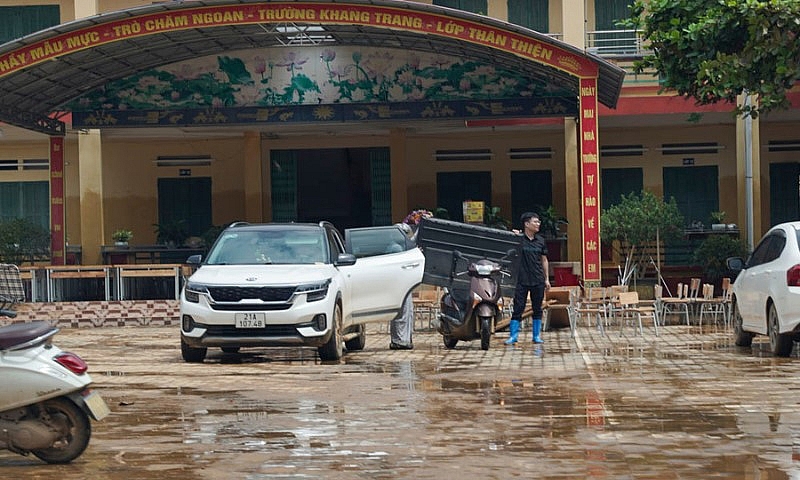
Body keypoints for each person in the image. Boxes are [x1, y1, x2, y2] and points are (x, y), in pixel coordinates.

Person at [505, 211, 550, 344]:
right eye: (535, 222)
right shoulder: (518, 239)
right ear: (526, 224)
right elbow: (508, 251)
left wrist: (546, 278)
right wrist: (512, 235)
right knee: (518, 307)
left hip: (538, 279)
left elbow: (544, 260)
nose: (538, 224)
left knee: (537, 308)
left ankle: (536, 336)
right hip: (521, 280)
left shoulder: (541, 241)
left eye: (538, 222)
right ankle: (513, 336)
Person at [389, 222, 416, 350]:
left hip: (405, 284)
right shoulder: (396, 248)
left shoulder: (401, 246)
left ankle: (404, 338)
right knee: (402, 313)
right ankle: (400, 340)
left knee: (407, 312)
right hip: (400, 285)